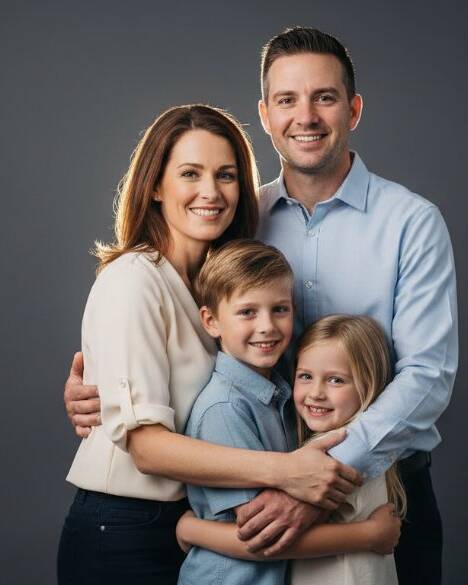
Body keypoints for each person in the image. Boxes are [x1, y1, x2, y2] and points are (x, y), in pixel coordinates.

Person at [64, 27, 458, 584]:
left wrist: (320, 476)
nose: (306, 117)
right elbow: (187, 342)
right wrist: (102, 392)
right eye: (287, 100)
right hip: (252, 498)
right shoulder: (238, 223)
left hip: (381, 486)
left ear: (353, 109)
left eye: (324, 97)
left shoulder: (410, 223)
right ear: (266, 115)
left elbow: (427, 376)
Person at [56, 104, 362, 585]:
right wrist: (286, 471)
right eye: (190, 174)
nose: (211, 192)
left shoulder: (227, 289)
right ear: (155, 186)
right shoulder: (133, 281)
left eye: (226, 175)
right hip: (124, 528)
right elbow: (147, 449)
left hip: (193, 523)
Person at [177, 242, 401, 585]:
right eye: (248, 312)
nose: (267, 326)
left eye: (279, 309)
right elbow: (264, 534)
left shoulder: (284, 394)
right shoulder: (224, 408)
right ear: (211, 321)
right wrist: (368, 536)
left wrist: (190, 528)